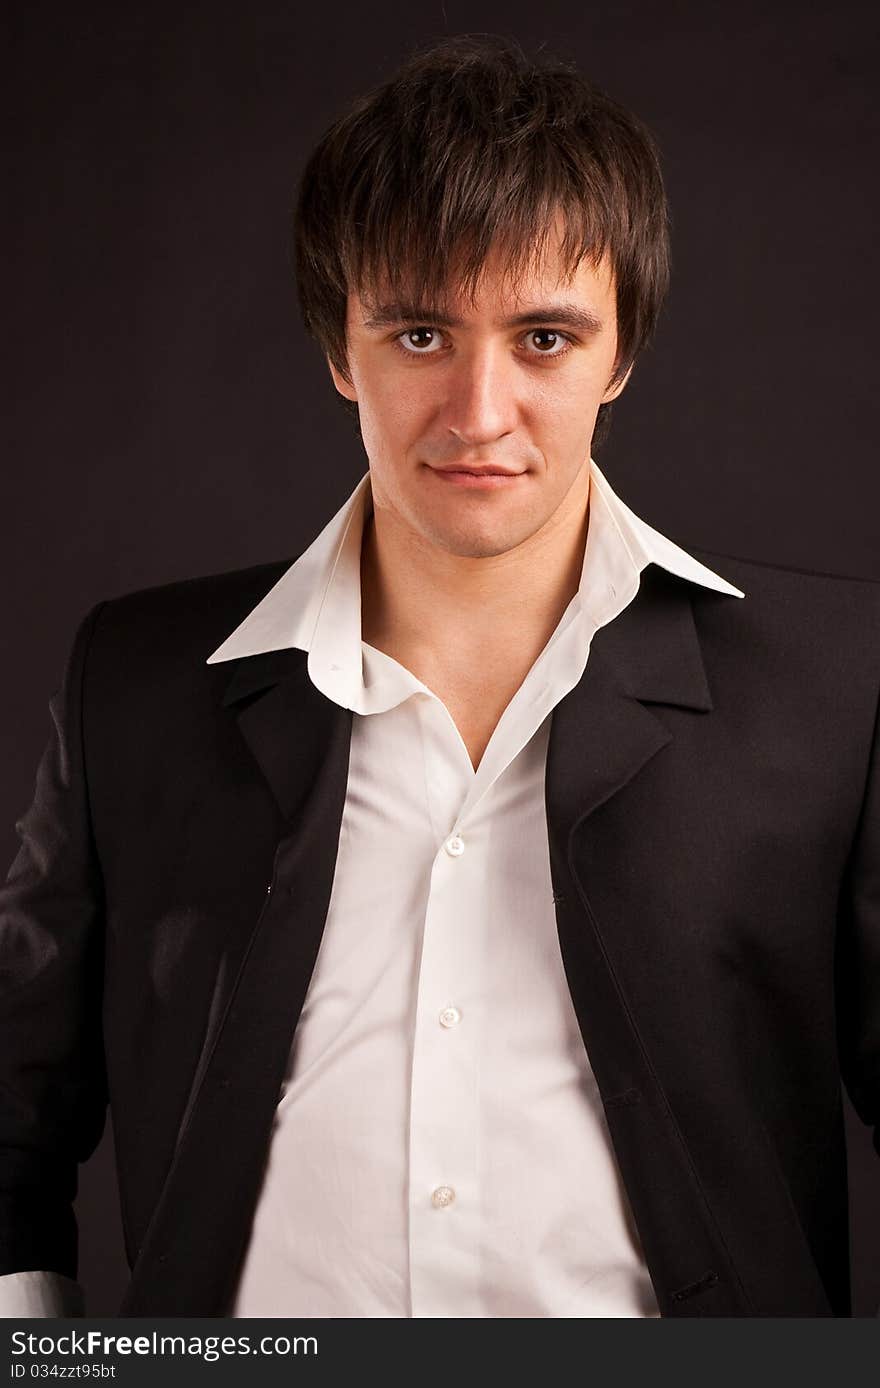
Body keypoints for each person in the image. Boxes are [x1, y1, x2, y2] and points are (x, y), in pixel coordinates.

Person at [0, 33, 877, 1320]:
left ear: (619, 354)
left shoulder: (833, 686)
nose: (478, 409)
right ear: (340, 348)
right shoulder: (134, 682)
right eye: (420, 331)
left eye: (542, 337)